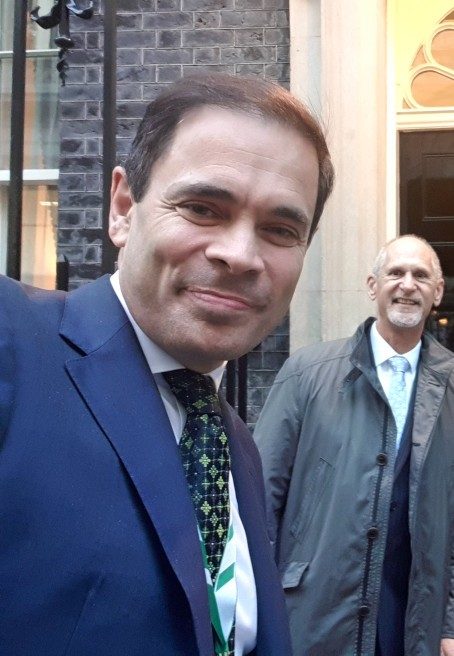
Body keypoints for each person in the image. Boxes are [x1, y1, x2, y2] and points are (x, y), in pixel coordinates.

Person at [0, 73, 334, 655]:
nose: (240, 254)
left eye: (281, 229)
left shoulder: (234, 445)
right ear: (123, 208)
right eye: (202, 208)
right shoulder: (12, 344)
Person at [255, 235, 454, 656]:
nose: (407, 284)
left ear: (438, 292)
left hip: (412, 615)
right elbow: (260, 494)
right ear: (372, 285)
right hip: (314, 609)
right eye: (395, 273)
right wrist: (260, 605)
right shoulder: (306, 373)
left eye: (420, 276)